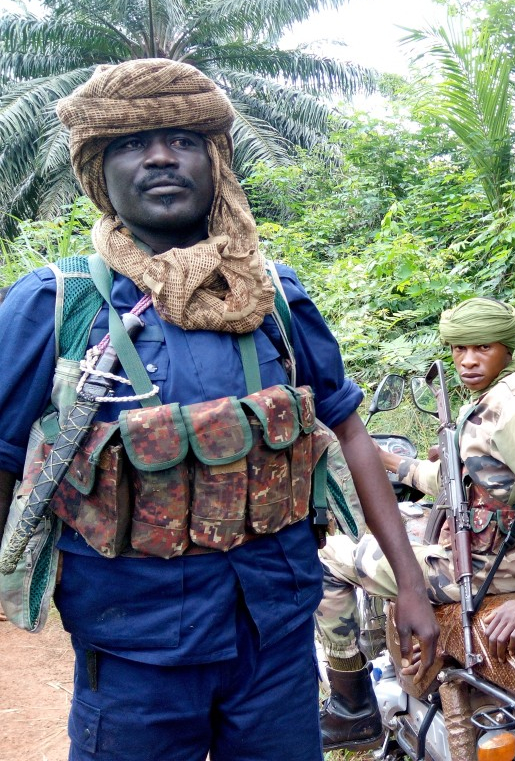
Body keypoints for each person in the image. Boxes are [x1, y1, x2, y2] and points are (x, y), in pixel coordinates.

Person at [0, 58, 437, 761]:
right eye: (132, 144)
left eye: (183, 138)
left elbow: (348, 430)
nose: (162, 157)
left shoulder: (273, 298)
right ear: (98, 173)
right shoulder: (55, 304)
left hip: (274, 643)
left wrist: (410, 587)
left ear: (216, 160)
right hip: (131, 652)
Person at [316, 296, 515, 749]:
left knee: (328, 557)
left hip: (477, 574)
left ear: (506, 349)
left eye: (483, 348)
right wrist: (395, 463)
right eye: (459, 349)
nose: (468, 360)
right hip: (488, 560)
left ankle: (351, 707)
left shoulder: (514, 408)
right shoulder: (491, 402)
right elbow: (469, 485)